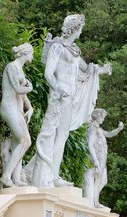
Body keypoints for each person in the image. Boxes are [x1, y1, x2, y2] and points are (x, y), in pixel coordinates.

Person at [26, 14, 111, 188]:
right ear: (76, 28)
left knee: (62, 136)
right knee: (50, 134)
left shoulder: (74, 52)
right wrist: (58, 89)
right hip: (59, 97)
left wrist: (103, 70)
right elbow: (48, 73)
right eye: (81, 28)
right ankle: (44, 176)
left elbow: (88, 69)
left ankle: (52, 175)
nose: (81, 32)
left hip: (69, 99)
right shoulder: (57, 47)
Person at [0, 43, 35, 188]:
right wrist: (30, 86)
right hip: (9, 108)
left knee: (18, 143)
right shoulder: (12, 67)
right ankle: (6, 176)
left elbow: (22, 95)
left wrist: (30, 107)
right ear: (26, 53)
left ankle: (16, 179)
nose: (32, 56)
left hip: (18, 109)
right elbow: (18, 88)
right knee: (26, 141)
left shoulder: (19, 69)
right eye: (31, 53)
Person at [82, 108, 123, 207]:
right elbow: (90, 145)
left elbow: (109, 134)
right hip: (95, 159)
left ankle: (96, 202)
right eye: (102, 117)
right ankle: (91, 201)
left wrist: (119, 129)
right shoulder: (92, 127)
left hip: (101, 159)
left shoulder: (98, 129)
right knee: (93, 178)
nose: (103, 119)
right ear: (96, 116)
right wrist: (95, 160)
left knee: (101, 180)